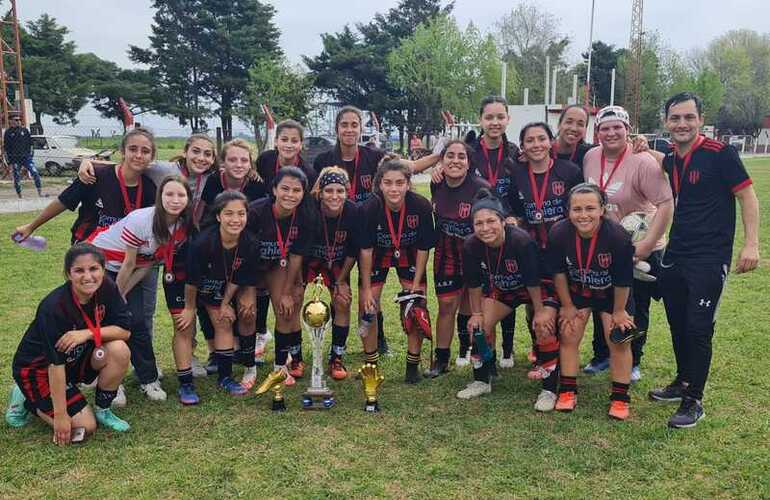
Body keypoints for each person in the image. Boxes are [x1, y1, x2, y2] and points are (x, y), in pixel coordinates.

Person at [650, 92, 760, 428]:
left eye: (688, 117)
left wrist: (751, 244)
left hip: (709, 258)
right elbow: (664, 161)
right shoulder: (672, 157)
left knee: (699, 327)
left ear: (700, 119)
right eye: (675, 118)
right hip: (677, 254)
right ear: (666, 121)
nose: (682, 124)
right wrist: (644, 150)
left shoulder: (720, 153)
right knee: (678, 323)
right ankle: (682, 381)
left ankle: (694, 400)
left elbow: (747, 196)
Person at [77, 134, 218, 378]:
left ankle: (169, 358)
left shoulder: (212, 178)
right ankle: (120, 364)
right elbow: (134, 161)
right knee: (127, 310)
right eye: (196, 151)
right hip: (120, 252)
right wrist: (89, 162)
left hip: (167, 246)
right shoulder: (165, 170)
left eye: (207, 154)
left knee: (162, 309)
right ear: (185, 151)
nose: (201, 158)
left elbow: (147, 262)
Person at [315, 106, 438, 356]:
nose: (349, 129)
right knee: (342, 290)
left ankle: (379, 340)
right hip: (340, 233)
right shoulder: (323, 160)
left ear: (361, 129)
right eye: (344, 124)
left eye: (354, 124)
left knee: (370, 291)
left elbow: (411, 166)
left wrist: (442, 155)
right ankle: (337, 348)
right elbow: (314, 193)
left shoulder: (374, 156)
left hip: (375, 229)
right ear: (337, 128)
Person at [581, 105, 674, 382]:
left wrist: (646, 244)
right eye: (605, 128)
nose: (611, 133)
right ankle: (602, 355)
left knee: (637, 305)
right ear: (597, 132)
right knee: (603, 302)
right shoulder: (590, 157)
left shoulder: (642, 160)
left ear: (627, 130)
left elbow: (665, 203)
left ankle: (634, 358)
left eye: (617, 127)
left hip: (642, 247)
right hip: (605, 247)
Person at [5, 244, 132, 442]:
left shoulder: (107, 287)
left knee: (119, 349)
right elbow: (55, 365)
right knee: (84, 427)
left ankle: (104, 409)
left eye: (93, 269)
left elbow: (124, 331)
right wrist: (61, 415)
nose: (88, 277)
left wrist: (87, 333)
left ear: (103, 269)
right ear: (68, 274)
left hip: (76, 357)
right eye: (79, 270)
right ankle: (26, 399)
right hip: (39, 370)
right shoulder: (53, 307)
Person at [90, 175, 195, 404]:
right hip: (104, 265)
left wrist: (125, 293)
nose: (175, 200)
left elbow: (146, 263)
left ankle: (148, 378)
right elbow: (127, 263)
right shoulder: (142, 219)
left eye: (181, 195)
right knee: (110, 321)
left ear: (188, 199)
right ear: (160, 197)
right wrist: (116, 298)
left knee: (136, 320)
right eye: (169, 194)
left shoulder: (182, 225)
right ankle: (110, 382)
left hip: (134, 269)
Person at [506, 122, 583, 407]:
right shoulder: (517, 175)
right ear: (522, 147)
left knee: (550, 316)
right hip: (531, 253)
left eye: (541, 139)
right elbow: (514, 207)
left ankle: (551, 386)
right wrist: (513, 220)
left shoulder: (570, 172)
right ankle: (543, 357)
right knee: (533, 310)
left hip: (563, 255)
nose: (536, 144)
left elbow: (582, 205)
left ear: (551, 142)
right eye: (530, 140)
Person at [457, 190, 556, 408]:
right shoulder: (470, 245)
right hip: (504, 288)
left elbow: (533, 281)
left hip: (537, 287)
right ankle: (483, 379)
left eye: (491, 221)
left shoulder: (521, 241)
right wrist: (476, 313)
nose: (485, 228)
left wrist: (539, 311)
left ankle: (550, 389)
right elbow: (473, 284)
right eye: (479, 223)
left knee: (543, 326)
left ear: (503, 222)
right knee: (479, 326)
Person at [548, 183, 636, 420]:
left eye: (590, 208)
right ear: (568, 211)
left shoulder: (617, 236)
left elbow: (623, 280)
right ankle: (567, 391)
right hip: (579, 290)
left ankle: (620, 397)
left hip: (613, 294)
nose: (583, 215)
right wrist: (567, 306)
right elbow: (558, 274)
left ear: (602, 209)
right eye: (577, 209)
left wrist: (619, 311)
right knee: (568, 332)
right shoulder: (558, 232)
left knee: (619, 339)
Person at [358, 156, 436, 383]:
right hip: (377, 255)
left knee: (417, 307)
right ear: (380, 183)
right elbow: (365, 251)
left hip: (410, 255)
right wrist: (365, 289)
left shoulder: (421, 205)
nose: (394, 188)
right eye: (388, 183)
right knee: (368, 308)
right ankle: (370, 366)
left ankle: (412, 368)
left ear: (408, 184)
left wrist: (415, 285)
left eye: (399, 183)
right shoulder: (370, 207)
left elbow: (423, 248)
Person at [13, 128, 157, 245]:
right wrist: (31, 226)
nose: (138, 155)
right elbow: (63, 201)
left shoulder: (151, 188)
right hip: (88, 251)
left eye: (145, 151)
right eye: (133, 149)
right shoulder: (93, 175)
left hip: (122, 255)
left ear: (152, 156)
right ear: (122, 151)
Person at [180, 191, 259, 396]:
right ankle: (185, 381)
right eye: (229, 214)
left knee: (223, 320)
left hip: (218, 287)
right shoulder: (202, 243)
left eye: (241, 214)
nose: (235, 220)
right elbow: (191, 281)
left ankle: (225, 377)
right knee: (184, 326)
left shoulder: (249, 242)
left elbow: (236, 277)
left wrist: (225, 303)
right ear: (218, 216)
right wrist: (190, 308)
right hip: (190, 287)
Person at [247, 167, 316, 385]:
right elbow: (243, 253)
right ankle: (249, 368)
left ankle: (280, 366)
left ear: (303, 193)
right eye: (285, 188)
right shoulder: (256, 212)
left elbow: (296, 256)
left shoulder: (306, 216)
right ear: (274, 189)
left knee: (285, 310)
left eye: (297, 190)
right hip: (250, 266)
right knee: (247, 313)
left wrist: (288, 290)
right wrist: (246, 290)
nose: (290, 194)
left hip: (278, 263)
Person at [428, 140, 489, 374]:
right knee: (446, 305)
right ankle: (441, 358)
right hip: (446, 252)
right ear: (442, 160)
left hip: (476, 254)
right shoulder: (437, 184)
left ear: (468, 162)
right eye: (450, 156)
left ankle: (473, 351)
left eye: (461, 156)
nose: (455, 160)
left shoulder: (480, 187)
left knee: (472, 305)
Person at [306, 167, 363, 380]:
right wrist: (293, 282)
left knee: (342, 301)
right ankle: (294, 356)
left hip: (338, 262)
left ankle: (336, 356)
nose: (334, 196)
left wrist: (341, 281)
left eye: (340, 191)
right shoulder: (309, 208)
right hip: (309, 260)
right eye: (329, 190)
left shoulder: (353, 211)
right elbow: (299, 247)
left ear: (347, 192)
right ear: (320, 192)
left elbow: (353, 251)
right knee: (292, 299)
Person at [256, 119, 318, 190]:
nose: (289, 145)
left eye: (294, 141)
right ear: (276, 141)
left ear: (301, 144)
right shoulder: (264, 159)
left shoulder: (309, 174)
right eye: (284, 140)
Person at [3, 113, 43, 198]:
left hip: (26, 157)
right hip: (15, 159)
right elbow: (6, 148)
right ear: (11, 121)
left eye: (19, 120)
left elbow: (30, 144)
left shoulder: (25, 130)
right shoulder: (8, 132)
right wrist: (8, 161)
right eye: (16, 120)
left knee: (35, 172)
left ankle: (40, 192)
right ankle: (20, 195)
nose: (19, 121)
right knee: (17, 176)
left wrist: (31, 155)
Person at [552, 105, 594, 169]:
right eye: (569, 122)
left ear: (585, 129)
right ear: (559, 125)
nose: (574, 128)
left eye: (580, 124)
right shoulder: (544, 151)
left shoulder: (589, 153)